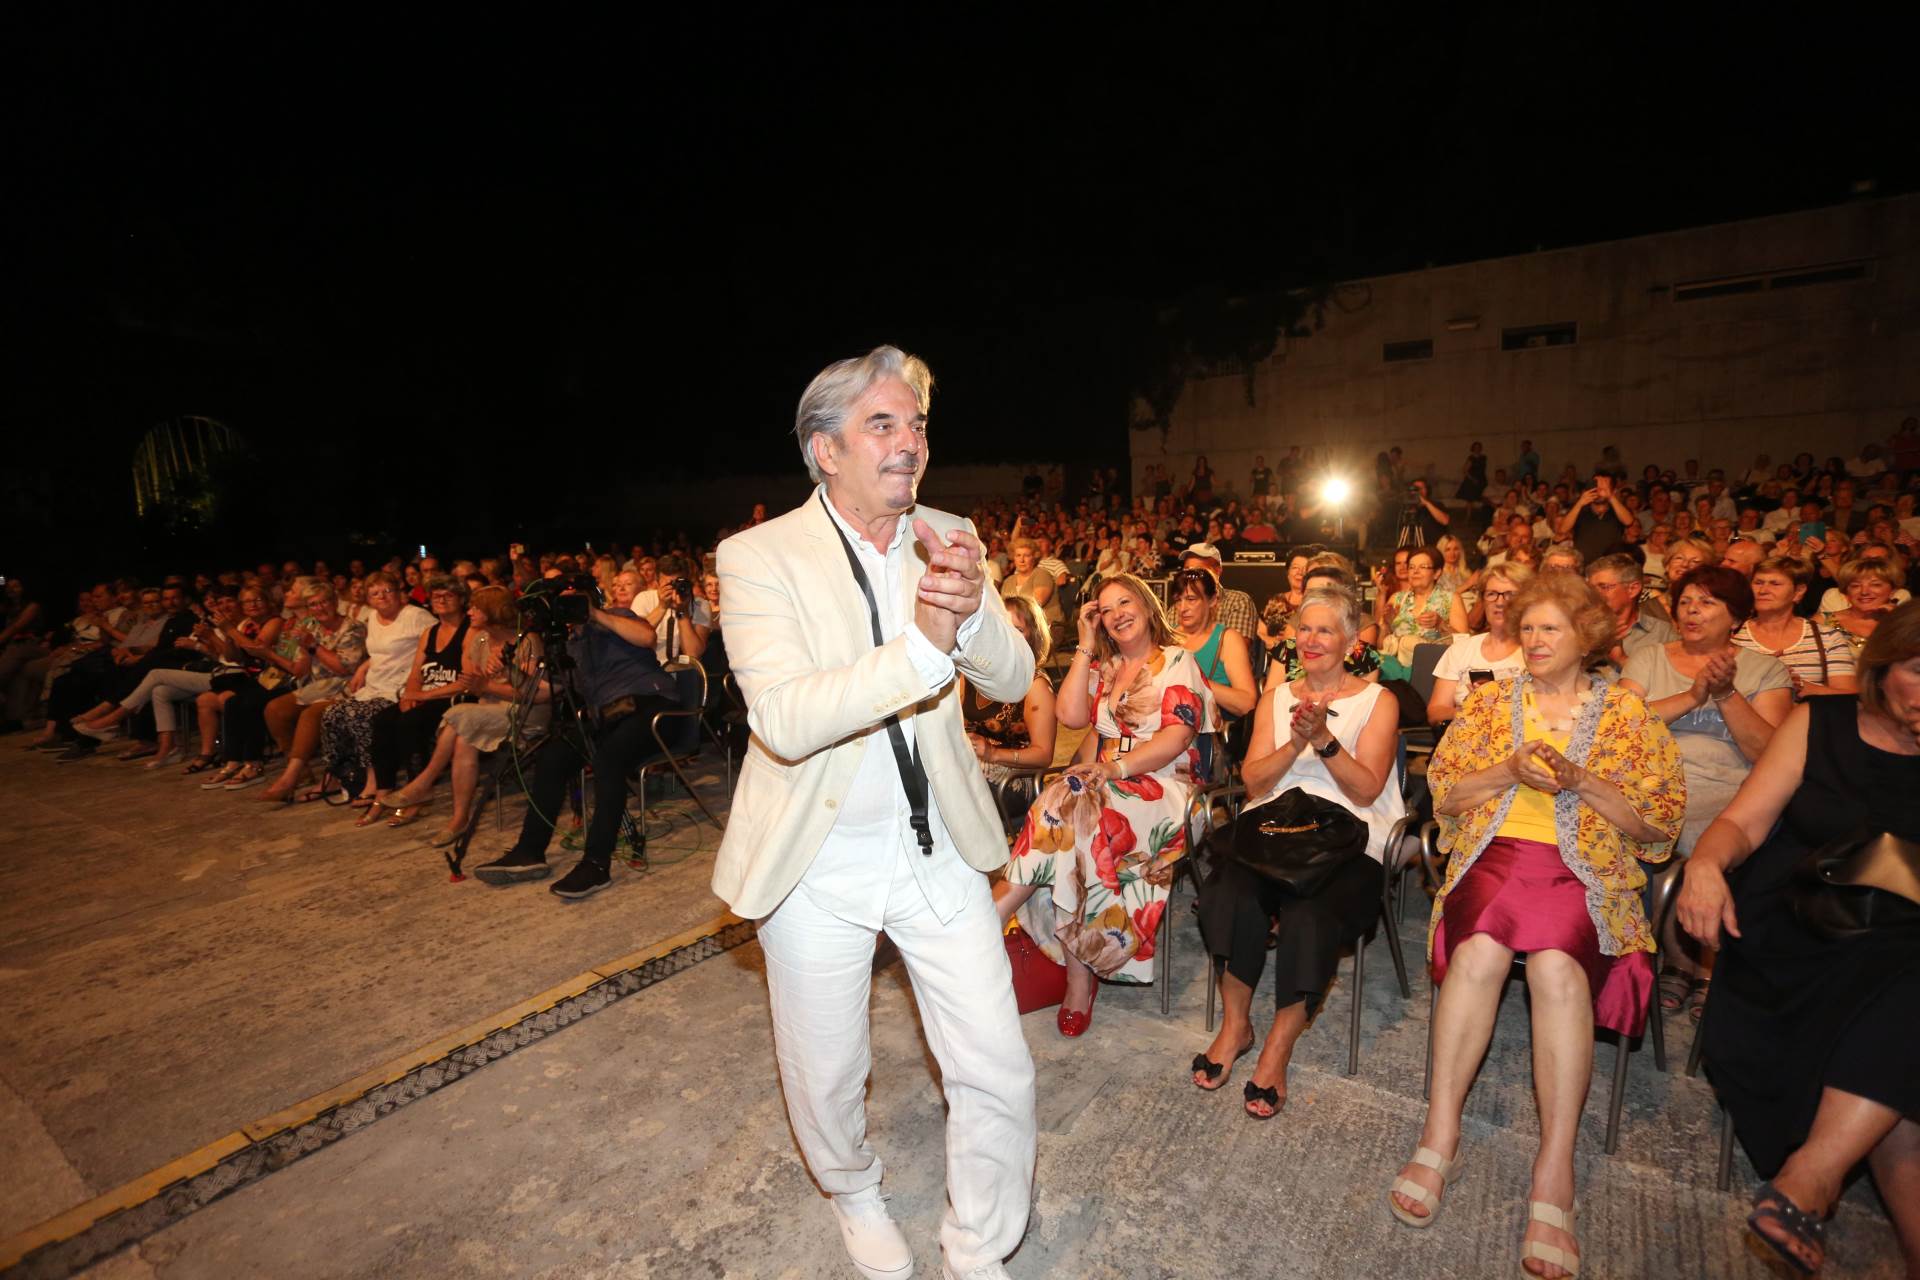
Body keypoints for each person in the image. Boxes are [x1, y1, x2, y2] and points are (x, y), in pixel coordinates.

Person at [711, 346, 1037, 1280]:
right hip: (817, 860)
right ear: (826, 450)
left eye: (918, 425)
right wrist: (927, 646)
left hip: (939, 851)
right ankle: (854, 1194)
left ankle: (980, 1243)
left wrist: (972, 613)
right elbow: (784, 717)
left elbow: (1014, 677)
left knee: (996, 1063)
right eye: (883, 425)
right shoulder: (759, 556)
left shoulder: (950, 533)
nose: (910, 444)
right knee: (827, 1071)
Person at [1389, 573, 1685, 1279]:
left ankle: (1555, 1168)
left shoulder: (1628, 716)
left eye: (1551, 627)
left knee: (1556, 966)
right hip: (1495, 858)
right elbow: (1445, 795)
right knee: (1478, 952)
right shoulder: (1492, 703)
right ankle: (1440, 1133)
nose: (1535, 639)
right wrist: (1507, 771)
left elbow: (1657, 826)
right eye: (1528, 628)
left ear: (1587, 636)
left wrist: (1582, 781)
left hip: (1583, 869)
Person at [1679, 602, 1920, 1277]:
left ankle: (1809, 1177)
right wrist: (1705, 866)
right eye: (1919, 671)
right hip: (1797, 923)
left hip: (1902, 936)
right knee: (1906, 1031)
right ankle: (1812, 1178)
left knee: (1904, 1010)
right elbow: (1745, 822)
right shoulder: (1822, 722)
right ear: (1883, 666)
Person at [1193, 586, 1404, 1116]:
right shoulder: (1275, 698)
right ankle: (1236, 1026)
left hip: (1348, 837)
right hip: (1276, 829)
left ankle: (1278, 1046)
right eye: (1303, 629)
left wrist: (1325, 740)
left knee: (1310, 914)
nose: (1310, 640)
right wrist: (1294, 741)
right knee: (1229, 892)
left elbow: (1366, 790)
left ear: (1351, 641)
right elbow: (1254, 782)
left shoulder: (1378, 702)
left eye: (1325, 630)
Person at [998, 571, 1213, 1026]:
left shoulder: (1178, 660)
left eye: (1125, 603)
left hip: (1167, 787)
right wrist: (1084, 643)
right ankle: (1076, 971)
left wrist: (1115, 768)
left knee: (1072, 807)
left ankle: (996, 912)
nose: (1117, 615)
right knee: (1069, 810)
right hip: (1106, 786)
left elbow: (1177, 737)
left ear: (1147, 605)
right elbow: (1071, 715)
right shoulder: (1109, 667)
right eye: (1106, 609)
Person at [1619, 567, 1791, 1019]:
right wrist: (1694, 696)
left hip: (1727, 788)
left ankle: (1702, 963)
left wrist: (1726, 693)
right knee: (1628, 826)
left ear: (1736, 617)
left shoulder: (1764, 669)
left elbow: (1769, 753)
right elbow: (1619, 726)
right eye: (1685, 602)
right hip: (1651, 784)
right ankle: (1676, 959)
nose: (1692, 611)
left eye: (1707, 602)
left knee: (1705, 839)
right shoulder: (1649, 658)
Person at [376, 586, 546, 847]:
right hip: (485, 711)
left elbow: (532, 694)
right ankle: (458, 818)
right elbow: (473, 686)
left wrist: (490, 683)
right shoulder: (481, 640)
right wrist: (480, 686)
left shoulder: (527, 641)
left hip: (522, 714)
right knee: (463, 736)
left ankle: (425, 785)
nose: (469, 612)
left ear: (492, 611)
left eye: (476, 608)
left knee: (460, 716)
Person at [358, 576, 470, 827]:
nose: (441, 600)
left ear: (462, 599)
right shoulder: (430, 632)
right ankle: (383, 792)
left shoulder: (470, 630)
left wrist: (422, 696)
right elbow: (416, 672)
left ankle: (418, 790)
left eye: (448, 595)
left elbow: (467, 681)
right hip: (426, 694)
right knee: (382, 720)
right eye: (436, 596)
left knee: (410, 723)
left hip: (454, 696)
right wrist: (410, 694)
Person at [317, 573, 434, 802]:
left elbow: (438, 645)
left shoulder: (415, 616)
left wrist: (418, 681)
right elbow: (380, 652)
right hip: (376, 683)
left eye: (387, 591)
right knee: (332, 714)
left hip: (400, 684)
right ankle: (342, 774)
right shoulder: (372, 617)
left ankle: (376, 779)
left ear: (398, 593)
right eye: (374, 593)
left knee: (360, 715)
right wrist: (363, 667)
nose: (382, 597)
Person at [259, 582, 368, 802]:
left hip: (348, 687)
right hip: (318, 687)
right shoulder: (312, 629)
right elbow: (300, 671)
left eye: (324, 602)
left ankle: (289, 779)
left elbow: (345, 668)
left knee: (311, 714)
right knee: (275, 709)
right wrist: (289, 650)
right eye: (313, 605)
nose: (319, 608)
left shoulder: (353, 627)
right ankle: (301, 770)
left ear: (335, 602)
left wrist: (314, 647)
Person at [960, 594, 1057, 827]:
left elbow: (1044, 755)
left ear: (1033, 636)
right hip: (973, 769)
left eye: (1018, 630)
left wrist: (993, 753)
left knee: (957, 795)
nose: (1008, 637)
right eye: (1002, 628)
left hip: (1015, 779)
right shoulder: (971, 676)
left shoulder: (1035, 685)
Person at [1733, 554, 1857, 700]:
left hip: (1808, 714)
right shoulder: (1733, 635)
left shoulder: (1827, 638)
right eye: (1758, 583)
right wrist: (1762, 672)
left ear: (1798, 592)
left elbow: (1849, 696)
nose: (1763, 590)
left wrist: (1800, 686)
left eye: (1775, 584)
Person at [1427, 563, 1532, 727]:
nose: (1499, 602)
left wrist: (1498, 709)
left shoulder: (1537, 652)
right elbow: (1436, 711)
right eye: (1492, 594)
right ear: (1482, 600)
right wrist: (1473, 709)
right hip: (1465, 734)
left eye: (1510, 595)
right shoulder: (1460, 650)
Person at [1169, 566, 1257, 722]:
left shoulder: (1227, 639)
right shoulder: (1168, 637)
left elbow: (1247, 704)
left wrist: (1195, 680)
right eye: (1178, 600)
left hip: (1209, 729)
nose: (1182, 608)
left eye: (1191, 599)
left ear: (1212, 600)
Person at [1379, 545, 1467, 681]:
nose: (1415, 571)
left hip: (1431, 669)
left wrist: (1441, 624)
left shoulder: (1451, 599)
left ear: (1437, 573)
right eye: (1411, 567)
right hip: (1393, 667)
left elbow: (1464, 643)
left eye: (1423, 567)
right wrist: (1386, 625)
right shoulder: (1397, 599)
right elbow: (1379, 645)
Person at [1584, 552, 1676, 673]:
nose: (1594, 594)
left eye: (1604, 587)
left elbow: (1666, 680)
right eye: (1591, 588)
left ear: (1632, 589)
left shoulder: (1662, 634)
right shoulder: (1579, 628)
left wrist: (1621, 659)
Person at [1821, 555, 1904, 657]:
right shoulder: (1823, 622)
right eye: (1855, 586)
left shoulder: (1905, 623)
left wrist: (1897, 621)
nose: (1864, 592)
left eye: (1875, 584)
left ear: (1893, 591)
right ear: (1846, 591)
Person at [1180, 543, 1258, 644]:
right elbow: (1165, 646)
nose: (1191, 576)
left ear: (1218, 571)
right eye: (1187, 570)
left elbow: (1236, 648)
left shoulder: (1238, 602)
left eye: (1199, 571)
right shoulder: (1178, 607)